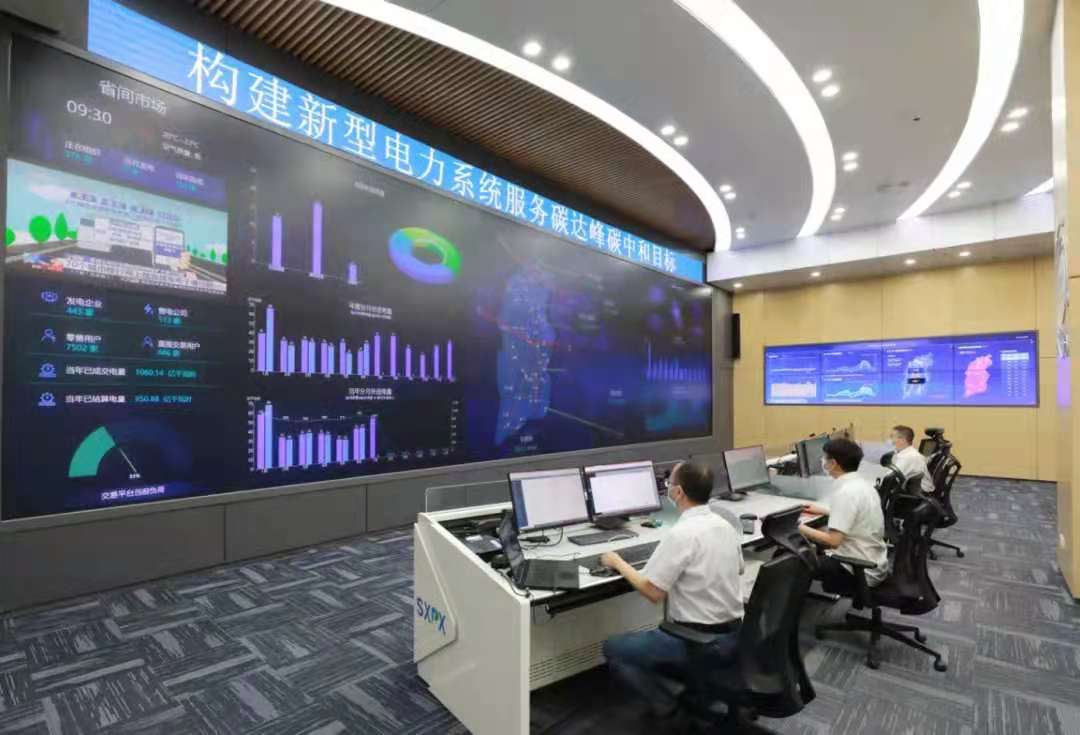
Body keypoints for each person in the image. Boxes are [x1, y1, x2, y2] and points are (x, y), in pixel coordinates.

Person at [601, 461, 743, 720]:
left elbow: (653, 592)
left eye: (669, 484)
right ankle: (689, 690)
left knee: (614, 648)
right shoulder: (726, 526)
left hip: (697, 642)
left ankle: (666, 703)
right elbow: (740, 568)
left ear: (678, 492)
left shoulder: (682, 534)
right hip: (735, 637)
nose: (667, 488)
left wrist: (617, 561)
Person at [799, 438, 889, 595]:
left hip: (858, 570)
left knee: (792, 559)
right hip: (874, 561)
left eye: (824, 457)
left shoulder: (846, 493)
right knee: (811, 545)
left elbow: (833, 541)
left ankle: (788, 605)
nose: (822, 460)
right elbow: (858, 514)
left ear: (833, 463)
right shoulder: (863, 485)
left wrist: (798, 527)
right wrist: (825, 511)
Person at [889, 425, 935, 495]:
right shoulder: (911, 452)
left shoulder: (907, 457)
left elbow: (889, 478)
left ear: (902, 440)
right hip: (921, 488)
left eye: (892, 437)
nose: (891, 441)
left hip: (918, 492)